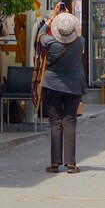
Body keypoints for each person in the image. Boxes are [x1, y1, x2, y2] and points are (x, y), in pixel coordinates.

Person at [41, 12, 87, 173]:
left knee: (55, 122)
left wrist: (52, 19)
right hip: (74, 86)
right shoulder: (80, 42)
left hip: (52, 85)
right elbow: (78, 32)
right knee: (70, 121)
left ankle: (54, 163)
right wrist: (68, 18)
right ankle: (71, 163)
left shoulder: (49, 42)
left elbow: (39, 34)